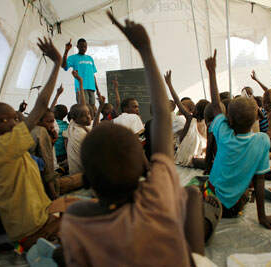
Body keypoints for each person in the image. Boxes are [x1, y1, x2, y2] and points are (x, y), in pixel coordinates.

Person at [61, 12, 217, 267]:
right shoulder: (157, 195)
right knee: (194, 196)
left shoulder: (76, 219)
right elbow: (164, 119)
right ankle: (196, 259)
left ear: (87, 180)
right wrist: (145, 51)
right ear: (145, 167)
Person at [0, 37, 78, 250]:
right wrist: (56, 62)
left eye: (15, 118)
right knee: (87, 222)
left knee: (77, 204)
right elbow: (42, 104)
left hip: (36, 216)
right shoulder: (5, 146)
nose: (13, 123)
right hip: (31, 227)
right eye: (3, 120)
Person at [203, 49, 271, 229]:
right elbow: (259, 180)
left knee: (194, 186)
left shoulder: (224, 135)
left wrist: (212, 72)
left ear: (229, 120)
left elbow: (216, 105)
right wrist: (262, 217)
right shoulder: (263, 141)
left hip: (213, 202)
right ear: (257, 118)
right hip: (237, 207)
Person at [164, 70, 209, 167]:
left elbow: (178, 102)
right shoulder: (193, 120)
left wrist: (170, 85)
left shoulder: (191, 119)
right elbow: (178, 102)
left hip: (186, 160)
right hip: (189, 160)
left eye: (196, 107)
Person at [66, 71, 103, 175]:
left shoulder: (73, 123)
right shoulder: (80, 133)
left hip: (74, 171)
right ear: (74, 118)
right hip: (81, 174)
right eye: (84, 116)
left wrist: (81, 82)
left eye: (88, 114)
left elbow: (83, 105)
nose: (88, 117)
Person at [62, 38, 98, 109]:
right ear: (77, 46)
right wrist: (66, 50)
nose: (83, 48)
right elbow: (64, 66)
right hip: (81, 88)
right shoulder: (73, 58)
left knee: (93, 109)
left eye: (85, 46)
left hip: (91, 88)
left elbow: (93, 75)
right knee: (84, 108)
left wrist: (98, 90)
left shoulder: (90, 58)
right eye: (81, 46)